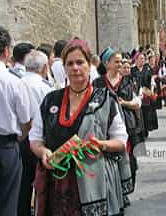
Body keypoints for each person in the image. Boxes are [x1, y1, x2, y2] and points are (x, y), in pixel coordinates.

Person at [29, 39, 130, 215]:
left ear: (89, 64)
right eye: (70, 63)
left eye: (80, 62)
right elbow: (35, 138)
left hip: (95, 183)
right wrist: (43, 152)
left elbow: (121, 140)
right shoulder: (50, 100)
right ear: (64, 68)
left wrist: (101, 144)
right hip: (58, 185)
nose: (75, 68)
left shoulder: (105, 99)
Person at [93, 48, 144, 189]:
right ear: (106, 63)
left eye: (121, 61)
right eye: (117, 62)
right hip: (106, 127)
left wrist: (125, 103)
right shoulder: (98, 83)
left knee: (129, 159)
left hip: (128, 125)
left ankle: (126, 188)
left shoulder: (127, 81)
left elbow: (137, 102)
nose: (120, 64)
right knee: (108, 160)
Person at [0, 26, 31, 216]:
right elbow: (25, 120)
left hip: (7, 143)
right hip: (6, 145)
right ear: (7, 51)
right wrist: (18, 138)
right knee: (8, 203)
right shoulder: (14, 81)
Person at [19, 50, 54, 216]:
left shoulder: (16, 83)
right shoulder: (46, 88)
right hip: (40, 142)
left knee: (22, 186)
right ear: (45, 67)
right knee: (42, 185)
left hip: (19, 139)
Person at [131, 52, 158, 137]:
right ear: (136, 60)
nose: (142, 60)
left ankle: (146, 130)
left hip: (146, 94)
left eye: (143, 59)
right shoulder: (133, 70)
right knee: (138, 113)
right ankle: (139, 130)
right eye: (140, 59)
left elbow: (151, 81)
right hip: (136, 94)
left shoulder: (147, 68)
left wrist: (151, 91)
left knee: (146, 113)